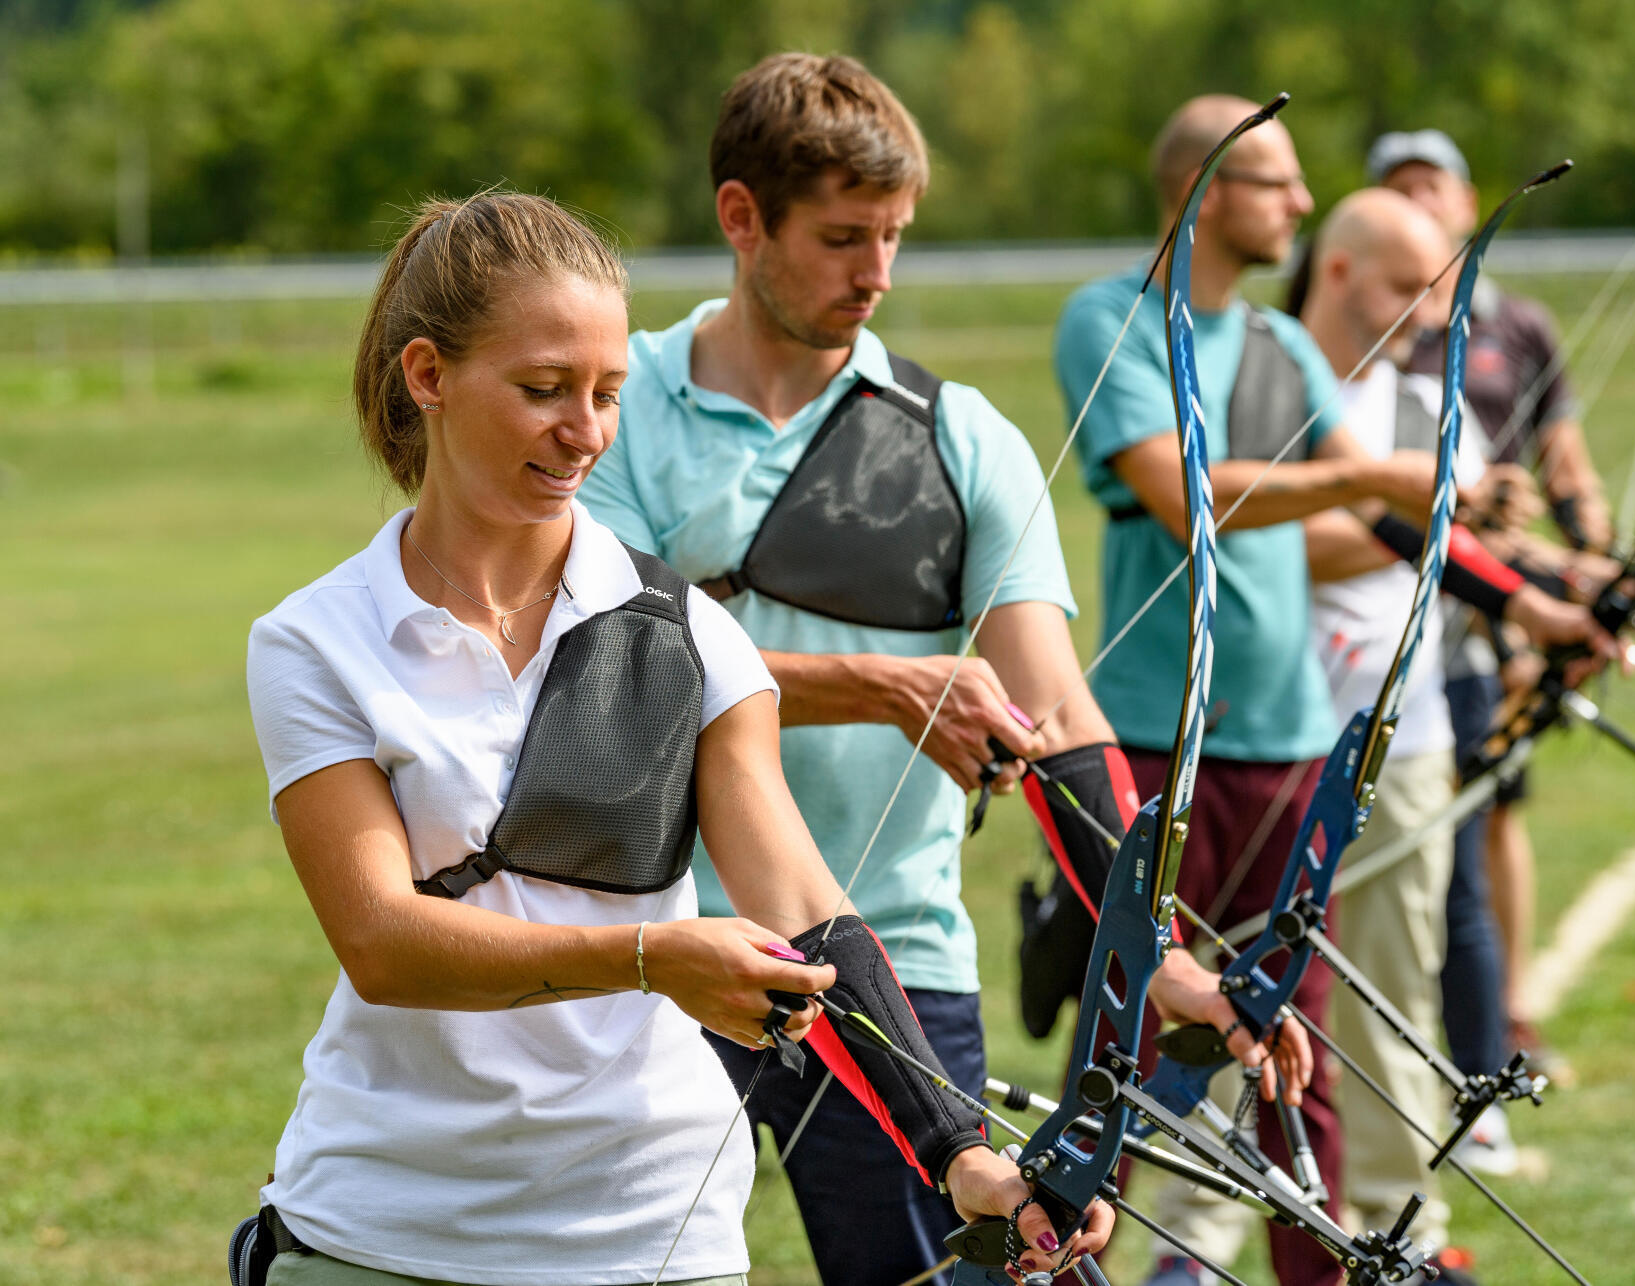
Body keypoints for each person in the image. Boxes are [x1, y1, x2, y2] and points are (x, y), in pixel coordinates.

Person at [241, 189, 1113, 1286]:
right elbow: (384, 942)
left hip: (651, 1234)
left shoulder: (694, 634)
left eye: (606, 392)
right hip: (388, 1231)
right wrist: (654, 956)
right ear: (429, 377)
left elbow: (803, 907)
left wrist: (962, 1148)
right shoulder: (315, 640)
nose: (586, 432)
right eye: (542, 390)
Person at [579, 57, 1303, 1286]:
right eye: (843, 236)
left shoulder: (961, 434)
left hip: (894, 956)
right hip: (659, 946)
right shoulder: (610, 404)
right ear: (741, 218)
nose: (878, 273)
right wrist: (888, 682)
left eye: (897, 236)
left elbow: (1057, 713)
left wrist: (1154, 943)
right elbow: (623, 668)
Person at [1057, 97, 1616, 1286]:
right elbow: (1185, 489)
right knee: (1128, 1045)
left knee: (1290, 1054)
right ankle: (1090, 1261)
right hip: (1161, 749)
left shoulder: (1280, 344)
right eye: (1274, 182)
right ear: (1203, 190)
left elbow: (1377, 511)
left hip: (1295, 744)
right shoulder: (1109, 321)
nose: (1301, 205)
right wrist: (1376, 473)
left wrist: (1533, 602)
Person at [1372, 128, 1612, 1101]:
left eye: (1436, 186)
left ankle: (1501, 1014)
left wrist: (1589, 560)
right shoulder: (1379, 329)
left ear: (1471, 205)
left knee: (1489, 814)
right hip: (1401, 612)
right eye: (1400, 190)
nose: (1421, 203)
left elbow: (1566, 460)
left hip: (1495, 610)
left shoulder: (1518, 324)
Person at [1297, 187, 1508, 1284]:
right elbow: (1279, 546)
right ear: (1337, 271)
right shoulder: (1279, 391)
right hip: (1277, 737)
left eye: (1440, 289)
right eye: (1405, 287)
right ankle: (1207, 1241)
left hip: (1409, 731)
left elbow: (1445, 549)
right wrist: (1412, 523)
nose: (1429, 315)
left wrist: (1535, 583)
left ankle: (1397, 1232)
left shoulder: (1434, 407)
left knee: (1394, 990)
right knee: (1251, 1000)